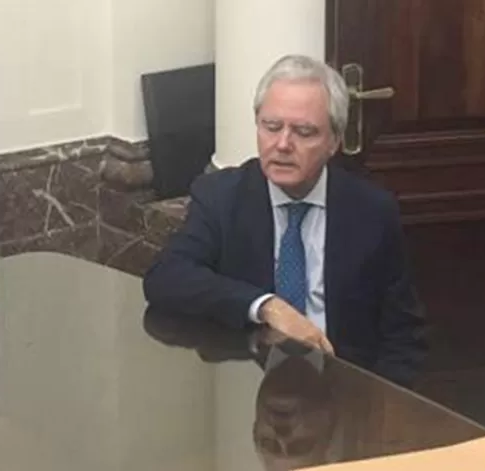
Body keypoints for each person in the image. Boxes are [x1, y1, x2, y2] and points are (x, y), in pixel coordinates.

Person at [142, 54, 427, 387]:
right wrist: (266, 306)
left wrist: (379, 415)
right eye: (271, 127)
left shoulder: (370, 210)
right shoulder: (222, 196)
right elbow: (166, 277)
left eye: (304, 132)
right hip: (251, 388)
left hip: (344, 393)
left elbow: (404, 336)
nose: (282, 144)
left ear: (334, 141)